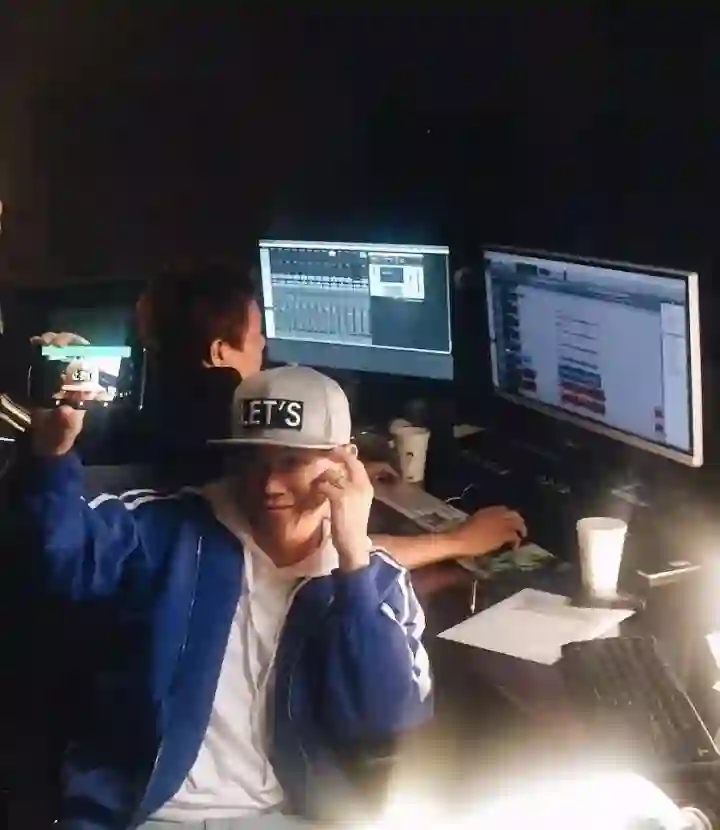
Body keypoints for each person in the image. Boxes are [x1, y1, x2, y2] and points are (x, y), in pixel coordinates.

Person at [23, 364, 432, 829]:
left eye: (291, 462)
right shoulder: (162, 528)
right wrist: (51, 457)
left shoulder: (376, 581)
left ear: (345, 463)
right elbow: (55, 561)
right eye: (252, 460)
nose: (269, 484)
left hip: (288, 817)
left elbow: (386, 722)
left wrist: (354, 561)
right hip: (150, 815)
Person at [131, 264, 527, 569]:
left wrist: (319, 470)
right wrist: (459, 540)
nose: (264, 342)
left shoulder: (160, 413)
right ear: (220, 352)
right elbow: (321, 557)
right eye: (256, 334)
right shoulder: (224, 427)